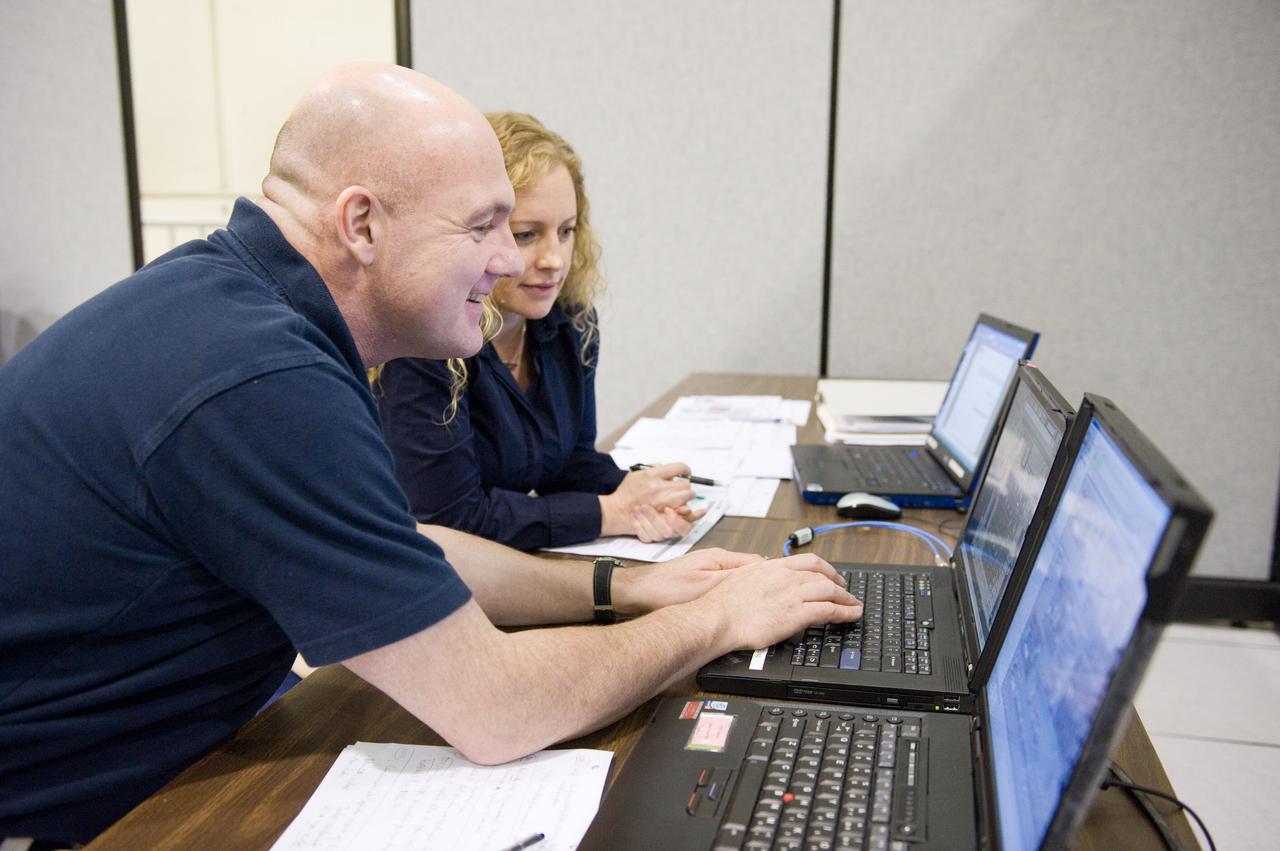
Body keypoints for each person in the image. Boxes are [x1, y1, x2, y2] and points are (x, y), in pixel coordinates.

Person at [0, 63, 862, 845]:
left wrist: (629, 587)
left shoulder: (240, 308)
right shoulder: (262, 373)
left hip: (183, 738)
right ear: (363, 224)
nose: (509, 262)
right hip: (83, 803)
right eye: (485, 226)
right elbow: (496, 707)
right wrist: (716, 618)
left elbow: (406, 543)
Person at [376, 112, 699, 550]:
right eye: (527, 234)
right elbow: (448, 521)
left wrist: (642, 494)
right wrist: (608, 513)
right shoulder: (424, 343)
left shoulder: (571, 322)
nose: (555, 259)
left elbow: (567, 464)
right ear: (472, 232)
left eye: (566, 231)